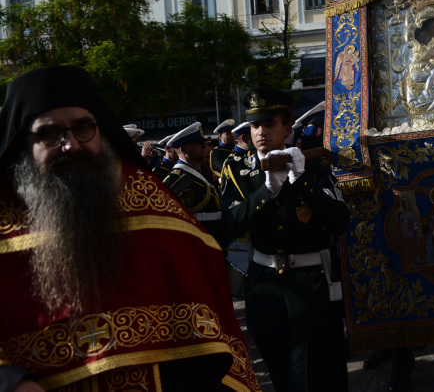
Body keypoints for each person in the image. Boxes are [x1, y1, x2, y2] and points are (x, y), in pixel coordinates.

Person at [0, 66, 259, 392]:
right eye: (50, 134)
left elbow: (209, 319)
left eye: (83, 128)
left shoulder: (153, 204)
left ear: (101, 132)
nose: (70, 145)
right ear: (22, 143)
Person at [221, 87, 350, 391]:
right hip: (264, 288)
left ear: (286, 128)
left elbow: (338, 222)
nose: (261, 132)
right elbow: (229, 227)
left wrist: (301, 180)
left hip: (310, 290)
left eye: (269, 124)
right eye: (255, 126)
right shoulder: (238, 169)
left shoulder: (314, 164)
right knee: (281, 379)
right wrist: (265, 192)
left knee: (310, 379)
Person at [163, 122, 224, 244]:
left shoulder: (197, 172)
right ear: (183, 149)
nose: (204, 146)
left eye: (204, 143)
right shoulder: (179, 179)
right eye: (198, 143)